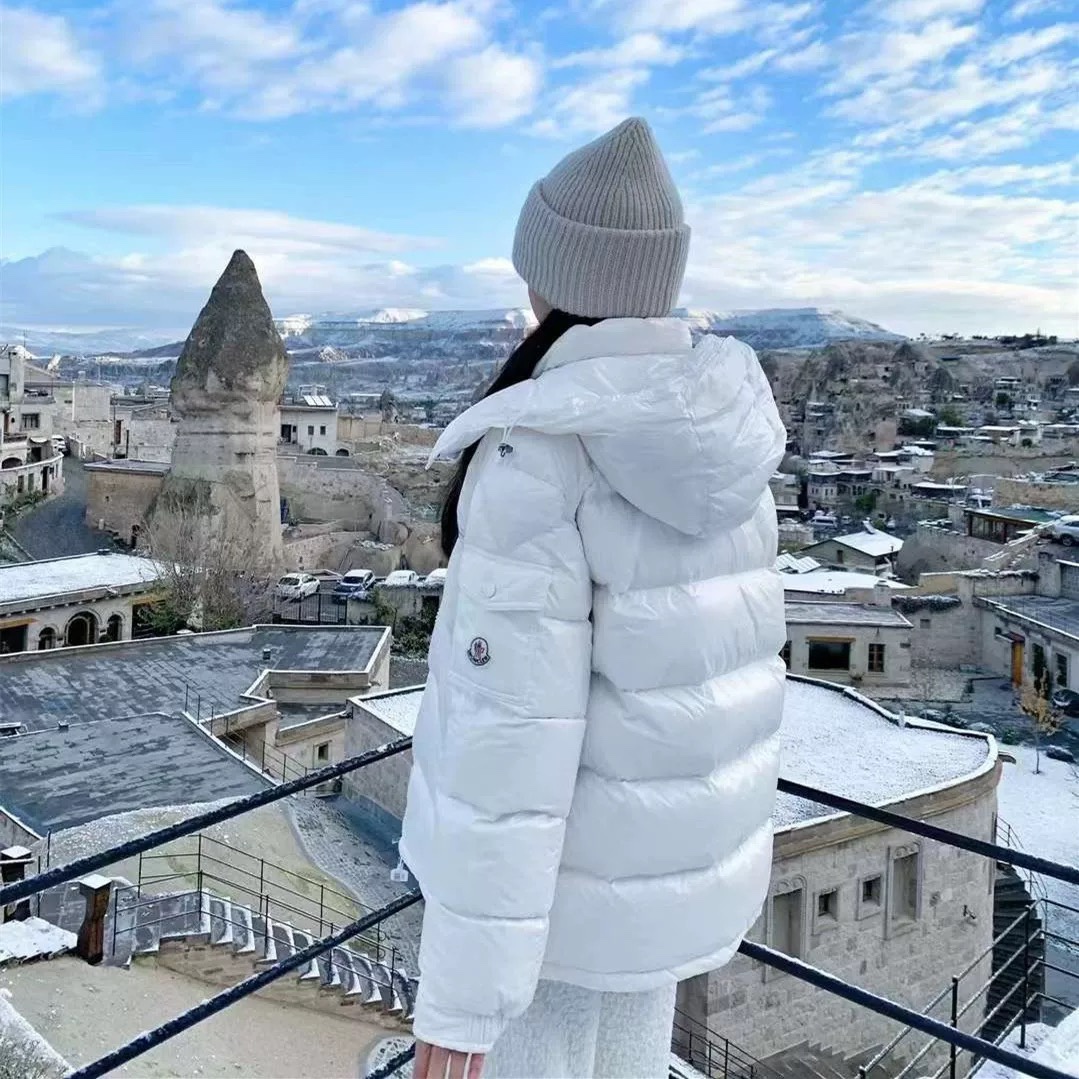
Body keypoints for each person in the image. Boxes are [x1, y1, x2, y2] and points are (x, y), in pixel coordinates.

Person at [400, 117, 787, 1079]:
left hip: (558, 913)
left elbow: (506, 745)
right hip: (669, 889)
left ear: (552, 276)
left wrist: (458, 1004)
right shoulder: (723, 439)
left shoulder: (542, 450)